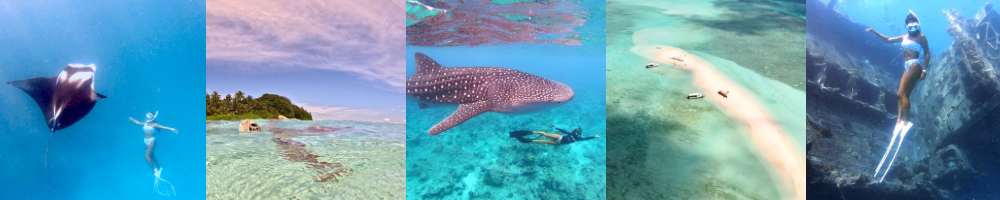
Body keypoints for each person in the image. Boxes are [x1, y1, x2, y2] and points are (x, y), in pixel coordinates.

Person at [866, 10, 929, 126]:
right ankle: (899, 119)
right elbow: (888, 39)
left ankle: (905, 121)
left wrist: (924, 70)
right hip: (907, 65)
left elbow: (927, 54)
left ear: (918, 26)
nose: (913, 29)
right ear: (906, 26)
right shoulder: (904, 37)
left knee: (904, 95)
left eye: (915, 26)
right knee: (899, 94)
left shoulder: (921, 37)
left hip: (915, 65)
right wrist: (874, 32)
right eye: (910, 26)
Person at [128, 111, 178, 196]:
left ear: (152, 117)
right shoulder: (145, 123)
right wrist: (132, 119)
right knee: (152, 155)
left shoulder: (154, 125)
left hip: (152, 141)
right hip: (145, 141)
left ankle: (154, 171)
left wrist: (172, 129)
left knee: (146, 156)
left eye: (149, 115)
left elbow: (163, 127)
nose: (147, 115)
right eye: (147, 114)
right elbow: (138, 123)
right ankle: (159, 167)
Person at [510, 125, 599, 145]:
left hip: (559, 143)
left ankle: (529, 140)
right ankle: (532, 132)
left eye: (577, 131)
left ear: (579, 133)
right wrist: (556, 128)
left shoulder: (578, 139)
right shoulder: (570, 133)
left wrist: (593, 137)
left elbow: (586, 138)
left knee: (543, 141)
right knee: (545, 134)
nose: (576, 131)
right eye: (576, 130)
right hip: (559, 137)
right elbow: (563, 130)